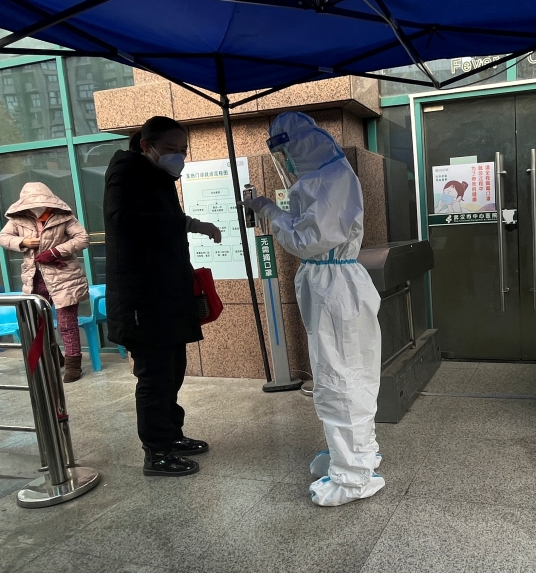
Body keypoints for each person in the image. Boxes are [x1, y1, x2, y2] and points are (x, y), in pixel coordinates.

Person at [244, 111, 384, 507]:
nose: (284, 162)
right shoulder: (323, 178)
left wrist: (270, 212)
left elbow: (308, 241)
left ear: (299, 148)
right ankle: (357, 455)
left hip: (334, 289)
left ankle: (354, 477)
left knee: (341, 379)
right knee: (343, 374)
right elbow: (310, 230)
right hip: (332, 286)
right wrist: (271, 208)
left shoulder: (331, 180)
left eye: (285, 152)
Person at [104, 115, 221, 477]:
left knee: (174, 371)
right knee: (155, 376)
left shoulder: (158, 175)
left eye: (183, 150)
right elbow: (122, 219)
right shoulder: (125, 171)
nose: (179, 157)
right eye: (171, 150)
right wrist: (182, 224)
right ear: (146, 145)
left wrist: (193, 224)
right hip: (141, 297)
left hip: (167, 293)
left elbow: (161, 217)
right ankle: (156, 452)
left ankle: (171, 435)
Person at [0, 182, 90, 382]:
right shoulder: (18, 219)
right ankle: (54, 356)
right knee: (40, 323)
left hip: (64, 276)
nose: (36, 206)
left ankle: (74, 363)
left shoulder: (64, 216)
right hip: (34, 278)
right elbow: (2, 237)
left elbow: (82, 238)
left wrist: (55, 251)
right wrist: (21, 242)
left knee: (67, 322)